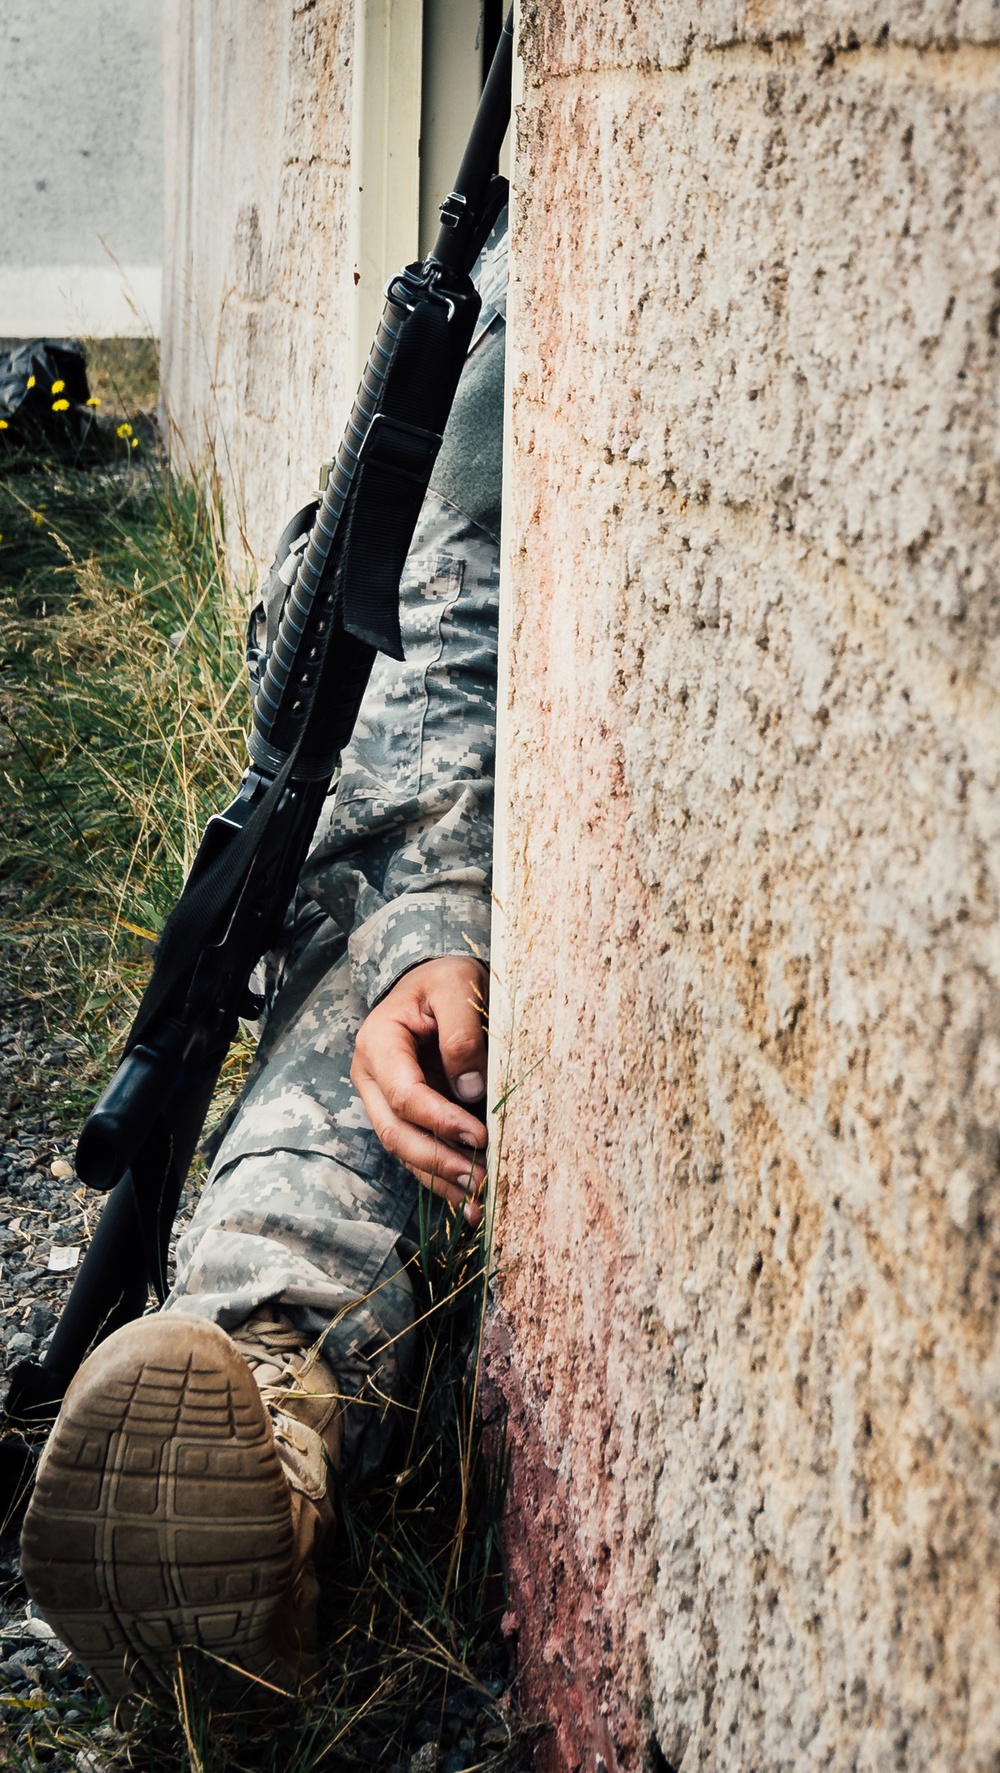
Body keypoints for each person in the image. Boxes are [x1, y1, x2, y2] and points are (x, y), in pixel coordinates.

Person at [19, 218, 508, 1707]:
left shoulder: (551, 296)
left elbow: (452, 635)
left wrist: (426, 920)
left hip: (425, 841)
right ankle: (234, 1387)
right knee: (344, 979)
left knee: (401, 1040)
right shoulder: (503, 272)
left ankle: (263, 1383)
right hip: (349, 808)